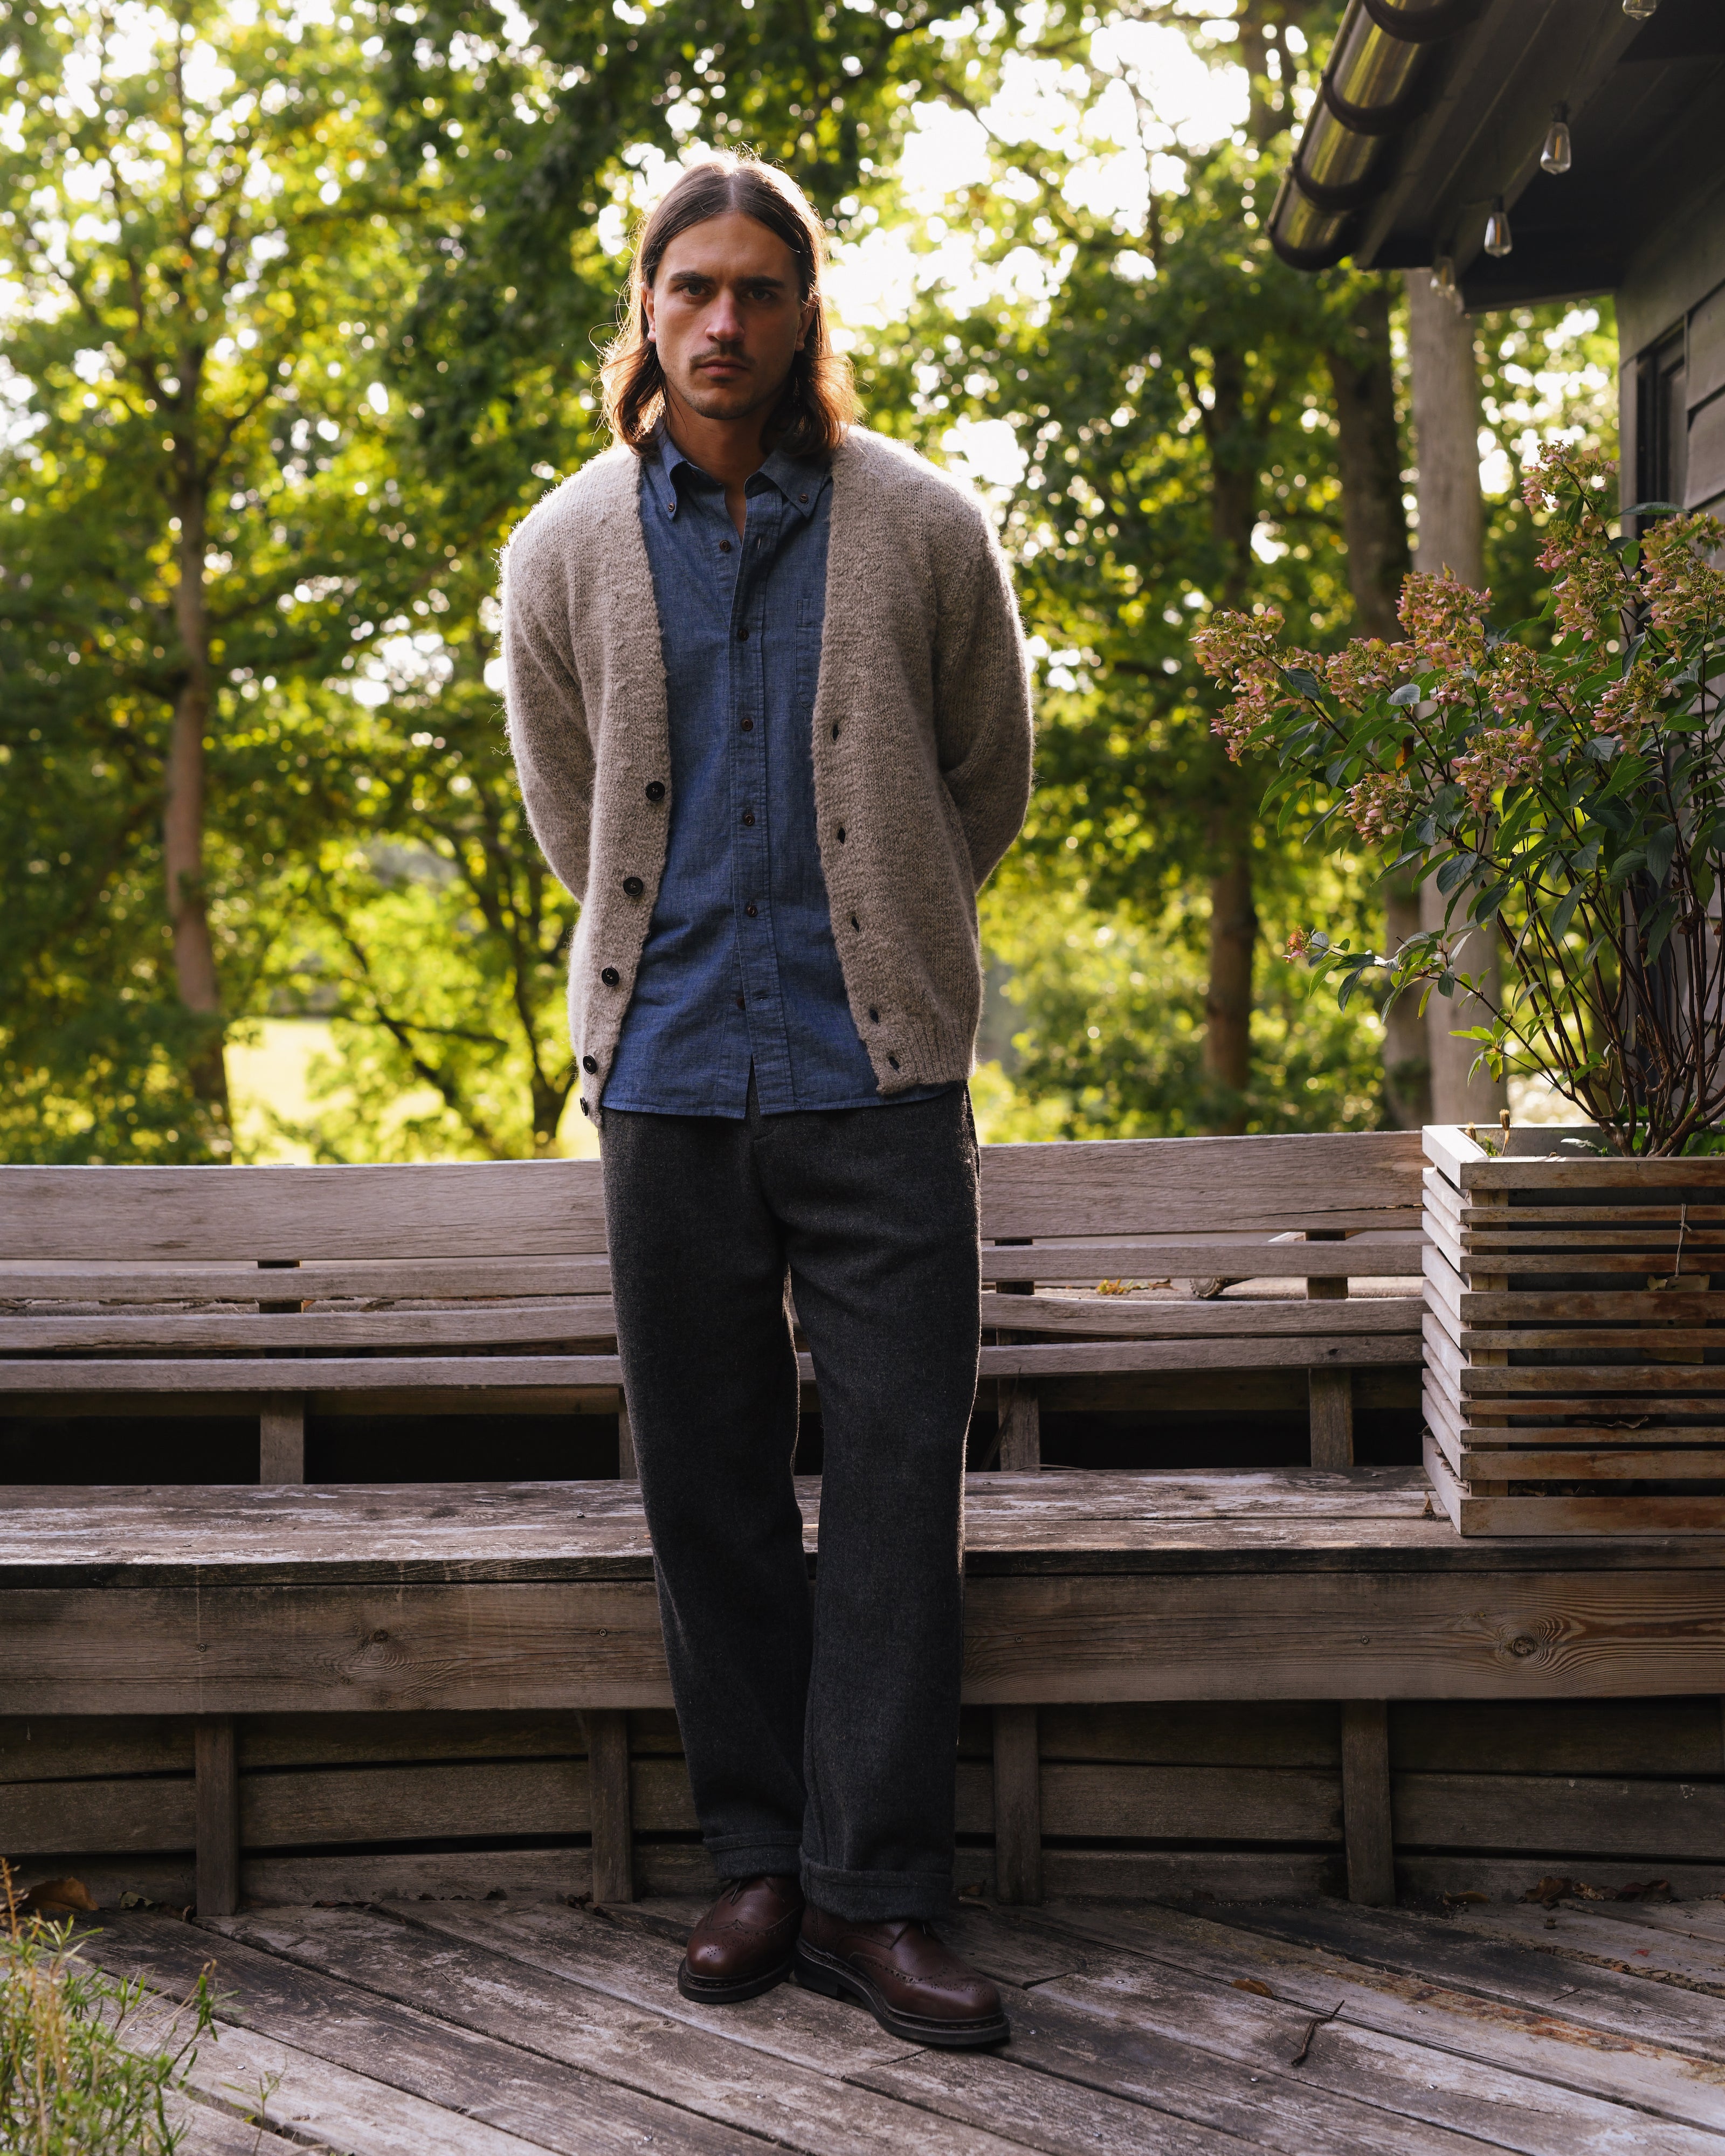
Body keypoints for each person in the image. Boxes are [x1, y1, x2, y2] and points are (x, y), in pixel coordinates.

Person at [501, 150, 1032, 2049]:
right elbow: (576, 813)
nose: (725, 322)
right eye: (691, 288)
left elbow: (985, 777)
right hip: (663, 1075)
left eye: (762, 289)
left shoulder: (927, 527)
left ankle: (879, 1897)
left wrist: (879, 931)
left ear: (810, 313)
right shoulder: (562, 548)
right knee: (712, 1486)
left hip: (878, 1073)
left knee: (897, 1486)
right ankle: (758, 1862)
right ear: (645, 311)